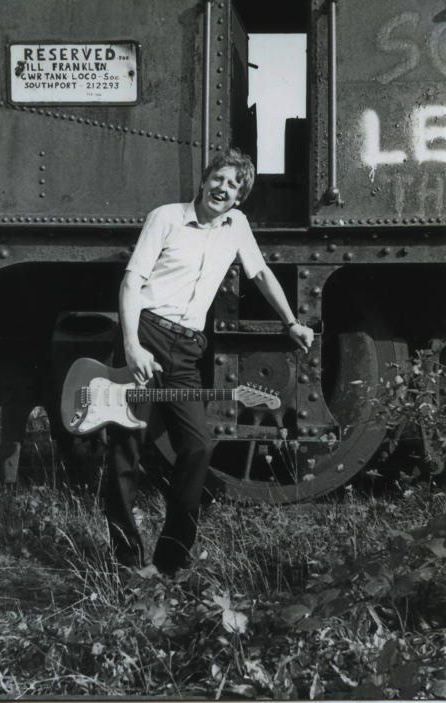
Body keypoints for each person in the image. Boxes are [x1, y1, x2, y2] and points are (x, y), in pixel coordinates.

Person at [106, 147, 314, 575]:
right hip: (146, 332)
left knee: (198, 445)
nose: (223, 188)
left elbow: (261, 274)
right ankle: (126, 560)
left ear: (239, 197)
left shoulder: (237, 226)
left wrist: (291, 322)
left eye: (233, 185)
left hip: (185, 349)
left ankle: (171, 560)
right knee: (127, 447)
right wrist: (131, 345)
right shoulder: (166, 217)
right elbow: (131, 283)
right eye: (218, 178)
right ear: (203, 181)